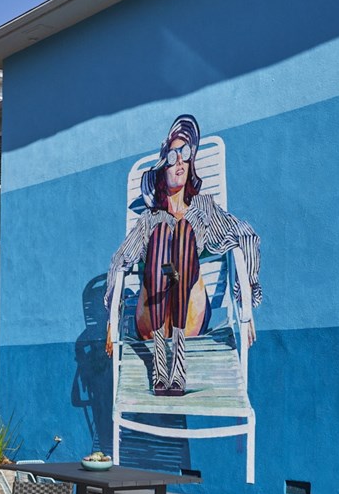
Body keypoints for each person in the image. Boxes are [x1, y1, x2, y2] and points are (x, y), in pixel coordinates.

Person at [104, 114, 262, 396]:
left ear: (191, 165)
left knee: (184, 232)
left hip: (188, 315)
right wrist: (112, 320)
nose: (179, 161)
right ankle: (161, 365)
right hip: (152, 320)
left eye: (185, 154)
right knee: (164, 231)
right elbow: (120, 259)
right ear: (162, 168)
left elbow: (245, 235)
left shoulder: (203, 208)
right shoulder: (148, 219)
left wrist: (246, 301)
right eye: (173, 155)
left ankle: (177, 366)